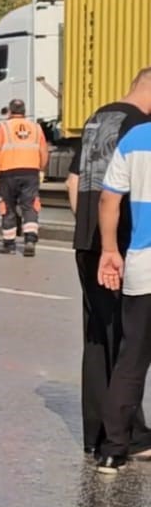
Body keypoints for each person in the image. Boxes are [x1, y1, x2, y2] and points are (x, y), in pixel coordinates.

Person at [70, 67, 151, 460]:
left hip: (86, 240)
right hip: (118, 243)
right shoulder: (138, 126)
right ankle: (127, 437)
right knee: (128, 342)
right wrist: (113, 244)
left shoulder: (96, 118)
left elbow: (74, 182)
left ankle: (94, 434)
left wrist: (86, 227)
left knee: (96, 338)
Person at [93, 109, 151, 474]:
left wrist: (110, 249)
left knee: (131, 360)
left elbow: (108, 199)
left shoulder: (135, 139)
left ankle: (114, 451)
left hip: (144, 266)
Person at [0, 99, 49, 256]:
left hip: (8, 172)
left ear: (10, 111)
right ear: (24, 111)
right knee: (30, 206)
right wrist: (41, 170)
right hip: (30, 172)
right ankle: (29, 240)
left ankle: (9, 244)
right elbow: (44, 151)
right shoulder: (36, 128)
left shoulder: (3, 127)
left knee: (8, 207)